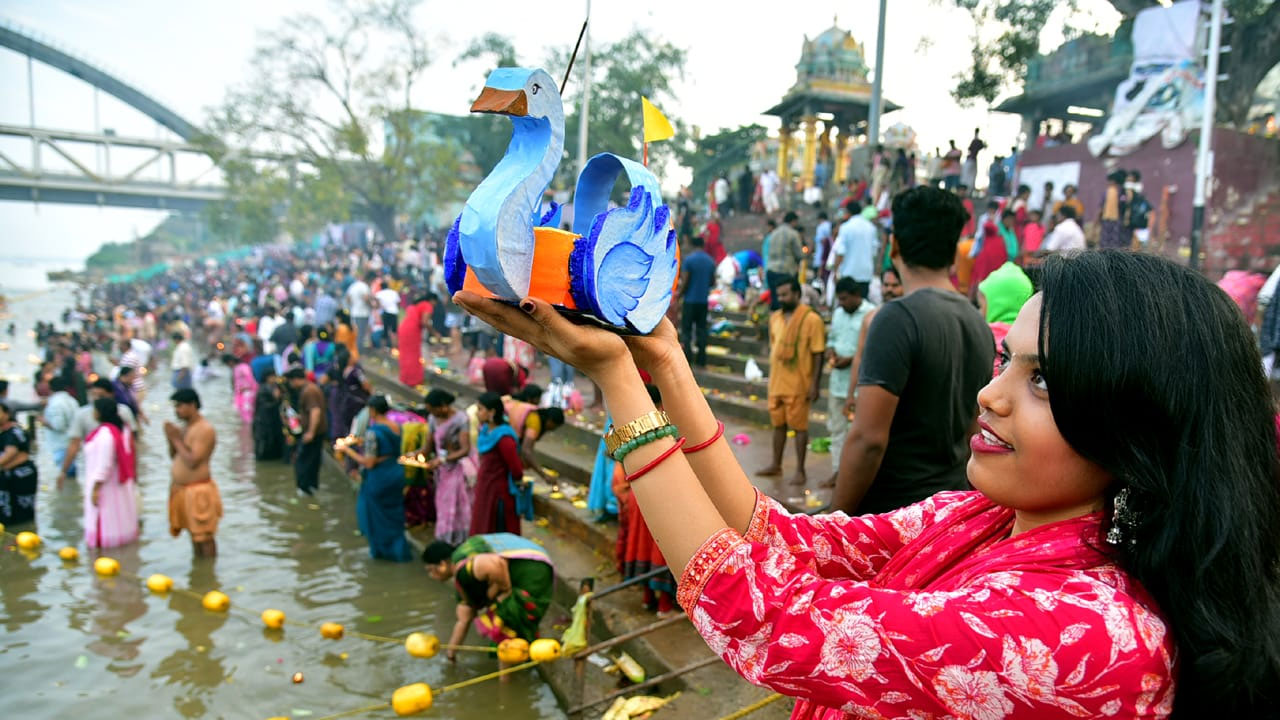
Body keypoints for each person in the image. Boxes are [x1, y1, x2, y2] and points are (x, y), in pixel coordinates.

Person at [456, 231, 1280, 719]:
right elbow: (782, 541)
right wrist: (665, 363)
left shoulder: (1091, 630)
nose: (990, 396)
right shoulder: (981, 516)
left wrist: (620, 384)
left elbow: (768, 621)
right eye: (1007, 361)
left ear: (1134, 427)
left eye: (1043, 381)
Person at [834, 186, 994, 515]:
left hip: (893, 511)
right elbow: (973, 430)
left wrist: (837, 519)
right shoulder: (978, 323)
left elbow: (868, 440)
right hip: (947, 509)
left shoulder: (896, 318)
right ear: (953, 254)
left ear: (895, 244)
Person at [423, 533, 556, 657]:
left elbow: (495, 564)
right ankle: (518, 665)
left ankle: (505, 679)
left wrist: (503, 590)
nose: (430, 576)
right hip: (532, 554)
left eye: (430, 571)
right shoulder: (462, 574)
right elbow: (463, 620)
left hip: (532, 567)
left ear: (442, 564)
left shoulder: (463, 568)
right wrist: (451, 654)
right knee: (505, 617)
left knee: (505, 623)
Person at [612, 384, 677, 616]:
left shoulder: (626, 425)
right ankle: (664, 603)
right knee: (661, 549)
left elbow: (616, 465)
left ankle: (648, 597)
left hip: (636, 496)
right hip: (662, 497)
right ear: (659, 404)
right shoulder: (664, 427)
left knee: (641, 545)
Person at [758, 276, 825, 486]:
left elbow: (818, 353)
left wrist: (815, 384)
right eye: (779, 295)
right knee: (778, 425)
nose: (782, 298)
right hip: (777, 381)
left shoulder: (812, 320)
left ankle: (800, 471)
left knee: (800, 428)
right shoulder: (775, 317)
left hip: (799, 383)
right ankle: (776, 464)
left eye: (786, 294)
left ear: (797, 294)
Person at [340, 395, 412, 561]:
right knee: (394, 516)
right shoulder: (397, 427)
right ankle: (400, 551)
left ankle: (382, 552)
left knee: (376, 517)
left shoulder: (374, 432)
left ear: (372, 410)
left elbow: (369, 463)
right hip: (396, 473)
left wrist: (347, 450)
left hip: (380, 477)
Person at [823, 278, 875, 488]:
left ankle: (855, 478)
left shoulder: (871, 314)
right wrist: (833, 353)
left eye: (845, 299)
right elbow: (832, 340)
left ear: (856, 295)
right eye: (840, 300)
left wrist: (851, 359)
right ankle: (837, 472)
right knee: (837, 430)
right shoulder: (838, 314)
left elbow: (871, 351)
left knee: (858, 434)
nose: (842, 303)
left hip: (862, 386)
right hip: (838, 384)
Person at [163, 389, 220, 558]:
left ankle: (209, 574)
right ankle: (199, 575)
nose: (176, 411)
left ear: (192, 405)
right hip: (182, 490)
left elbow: (193, 461)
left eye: (179, 406)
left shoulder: (205, 429)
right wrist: (171, 438)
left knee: (204, 536)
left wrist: (175, 438)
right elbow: (174, 455)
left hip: (198, 491)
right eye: (175, 407)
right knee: (193, 535)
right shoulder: (186, 428)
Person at [57, 379, 138, 488]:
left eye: (101, 395)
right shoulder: (82, 415)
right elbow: (74, 444)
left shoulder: (123, 412)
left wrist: (134, 472)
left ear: (111, 394)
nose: (96, 399)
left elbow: (132, 444)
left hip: (119, 468)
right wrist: (63, 471)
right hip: (92, 466)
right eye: (93, 395)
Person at [83, 397, 138, 548]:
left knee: (107, 520)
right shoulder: (121, 429)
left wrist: (95, 489)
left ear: (99, 413)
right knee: (120, 516)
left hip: (106, 487)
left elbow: (104, 465)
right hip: (116, 483)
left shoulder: (106, 434)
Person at [470, 392, 524, 536]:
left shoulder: (504, 438)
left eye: (480, 409)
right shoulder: (486, 431)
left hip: (498, 492)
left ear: (492, 412)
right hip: (485, 487)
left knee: (495, 529)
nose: (477, 413)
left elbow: (516, 469)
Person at [424, 389, 472, 545]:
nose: (433, 414)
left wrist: (442, 459)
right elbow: (428, 447)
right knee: (443, 505)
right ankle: (445, 540)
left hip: (458, 468)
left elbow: (465, 449)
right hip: (442, 471)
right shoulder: (432, 419)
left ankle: (459, 540)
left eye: (434, 410)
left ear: (443, 406)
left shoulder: (461, 420)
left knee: (458, 506)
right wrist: (412, 455)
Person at [976, 261, 1035, 366]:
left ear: (997, 306)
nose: (978, 312)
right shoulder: (1031, 341)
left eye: (981, 307)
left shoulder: (983, 340)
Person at [286, 366, 327, 494]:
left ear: (296, 380)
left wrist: (310, 432)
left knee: (304, 461)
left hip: (313, 433)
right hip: (314, 431)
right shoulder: (310, 388)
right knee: (312, 461)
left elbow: (315, 412)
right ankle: (311, 487)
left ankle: (305, 488)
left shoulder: (309, 391)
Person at [503, 397, 563, 484]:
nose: (553, 429)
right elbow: (526, 451)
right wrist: (544, 475)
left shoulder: (536, 416)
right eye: (554, 426)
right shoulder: (535, 422)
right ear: (550, 421)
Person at [678, 236, 716, 367]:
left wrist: (679, 294)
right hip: (703, 301)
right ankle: (701, 359)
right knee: (701, 329)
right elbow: (713, 282)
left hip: (690, 301)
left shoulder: (689, 260)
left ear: (693, 245)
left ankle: (687, 358)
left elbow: (686, 281)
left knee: (687, 330)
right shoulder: (710, 261)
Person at [0, 401, 38, 525]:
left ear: (7, 414)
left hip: (19, 476)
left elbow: (11, 453)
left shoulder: (14, 431)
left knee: (20, 515)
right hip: (8, 475)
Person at [40, 376, 79, 482]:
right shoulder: (72, 400)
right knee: (72, 476)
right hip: (73, 443)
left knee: (66, 477)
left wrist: (44, 422)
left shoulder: (55, 404)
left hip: (61, 445)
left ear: (50, 388)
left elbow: (58, 426)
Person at [765, 211, 804, 311]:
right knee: (786, 305)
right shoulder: (793, 234)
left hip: (771, 271)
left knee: (775, 302)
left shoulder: (773, 233)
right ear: (794, 221)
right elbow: (799, 255)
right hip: (785, 273)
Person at [398, 295, 435, 387]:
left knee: (406, 355)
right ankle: (413, 381)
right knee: (413, 355)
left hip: (404, 328)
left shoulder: (419, 304)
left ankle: (406, 378)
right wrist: (434, 333)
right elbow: (425, 322)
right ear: (432, 300)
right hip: (412, 330)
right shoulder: (428, 305)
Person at [252, 368, 285, 461]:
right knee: (264, 444)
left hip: (271, 422)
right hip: (263, 422)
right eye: (273, 376)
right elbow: (265, 407)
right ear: (267, 378)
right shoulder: (264, 389)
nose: (274, 378)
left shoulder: (274, 387)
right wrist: (276, 400)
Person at [1098, 170, 1129, 249]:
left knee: (1105, 245)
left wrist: (1096, 221)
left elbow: (1101, 208)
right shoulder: (1123, 191)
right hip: (1119, 221)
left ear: (1113, 181)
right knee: (1116, 245)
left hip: (1107, 220)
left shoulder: (1109, 191)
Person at [345, 271, 373, 349]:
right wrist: (371, 305)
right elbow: (366, 298)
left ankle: (353, 351)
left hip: (354, 312)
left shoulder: (353, 286)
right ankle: (358, 353)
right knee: (360, 334)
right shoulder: (364, 286)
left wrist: (353, 304)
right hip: (362, 313)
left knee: (354, 333)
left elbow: (347, 299)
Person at [1125, 170, 1152, 248]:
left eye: (1130, 181)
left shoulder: (1139, 198)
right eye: (1127, 180)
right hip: (1128, 229)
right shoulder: (1124, 195)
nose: (1128, 183)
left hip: (1139, 229)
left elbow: (1149, 212)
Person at [228, 353, 257, 424]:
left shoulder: (243, 367)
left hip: (247, 392)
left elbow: (251, 379)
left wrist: (250, 387)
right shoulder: (236, 368)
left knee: (247, 411)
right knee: (240, 412)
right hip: (240, 393)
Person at [374, 281, 401, 349]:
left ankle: (383, 348)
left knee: (385, 330)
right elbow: (398, 303)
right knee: (394, 331)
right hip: (394, 312)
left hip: (385, 312)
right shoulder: (394, 292)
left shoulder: (379, 293)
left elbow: (377, 304)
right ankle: (394, 347)